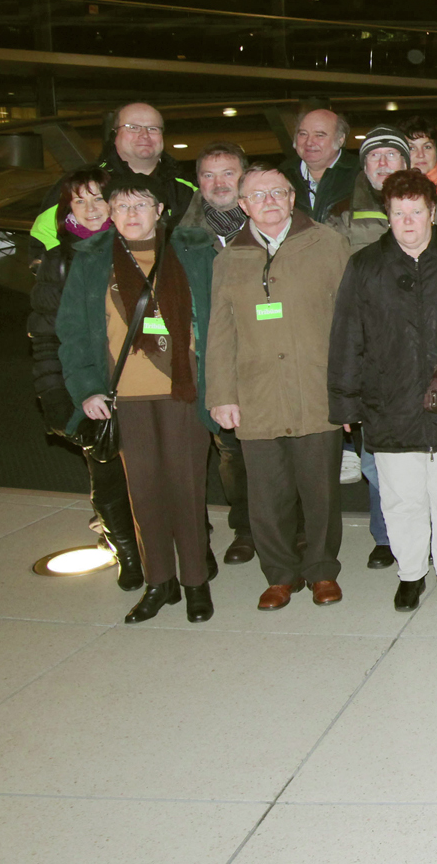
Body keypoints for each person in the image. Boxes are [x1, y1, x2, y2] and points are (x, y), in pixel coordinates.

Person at [58, 172, 218, 624]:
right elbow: (72, 333)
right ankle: (159, 582)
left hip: (183, 392)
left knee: (186, 489)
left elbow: (218, 323)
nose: (131, 214)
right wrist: (87, 388)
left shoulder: (193, 252)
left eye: (141, 204)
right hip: (123, 397)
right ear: (110, 213)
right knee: (143, 492)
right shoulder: (91, 261)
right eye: (122, 206)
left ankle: (194, 582)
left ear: (160, 211)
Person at [328, 170, 437, 612]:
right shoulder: (365, 266)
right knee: (401, 498)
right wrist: (345, 400)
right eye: (398, 213)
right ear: (387, 216)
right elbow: (346, 335)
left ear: (432, 212)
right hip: (388, 402)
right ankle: (410, 573)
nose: (408, 221)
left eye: (416, 212)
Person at [207, 164, 352, 611]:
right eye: (258, 195)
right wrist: (221, 395)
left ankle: (322, 570)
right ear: (243, 205)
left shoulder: (327, 243)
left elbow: (351, 321)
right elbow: (221, 331)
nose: (269, 201)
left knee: (321, 491)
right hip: (257, 394)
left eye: (278, 192)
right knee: (267, 494)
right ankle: (280, 575)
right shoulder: (230, 258)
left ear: (292, 198)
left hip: (316, 389)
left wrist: (349, 391)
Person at [30, 169, 140, 589]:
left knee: (156, 471)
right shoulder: (58, 263)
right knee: (107, 472)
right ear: (67, 210)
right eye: (81, 201)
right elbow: (44, 335)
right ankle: (126, 552)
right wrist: (57, 399)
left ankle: (169, 545)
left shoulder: (140, 249)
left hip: (142, 385)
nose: (92, 209)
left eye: (100, 199)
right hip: (89, 388)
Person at [175, 142, 254, 563]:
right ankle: (244, 528)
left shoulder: (269, 223)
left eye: (228, 173)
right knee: (229, 450)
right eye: (209, 174)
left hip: (267, 355)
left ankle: (287, 525)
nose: (219, 182)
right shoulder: (181, 239)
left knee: (278, 446)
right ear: (198, 182)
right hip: (212, 359)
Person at [31, 102, 197, 254]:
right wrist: (68, 272)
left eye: (153, 128)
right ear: (115, 134)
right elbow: (42, 234)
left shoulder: (187, 188)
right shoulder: (82, 183)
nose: (144, 135)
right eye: (133, 127)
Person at [327, 126, 437, 255]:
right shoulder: (342, 215)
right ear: (365, 166)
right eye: (374, 155)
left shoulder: (436, 208)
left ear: (405, 163)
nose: (383, 163)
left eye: (391, 154)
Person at [282, 107, 355, 219]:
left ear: (340, 139)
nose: (309, 142)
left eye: (319, 135)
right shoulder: (281, 176)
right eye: (303, 134)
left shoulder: (361, 175)